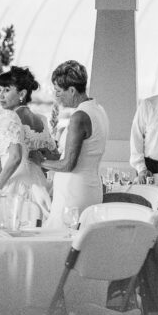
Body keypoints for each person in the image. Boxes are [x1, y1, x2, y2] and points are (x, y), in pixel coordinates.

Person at [41, 61, 108, 229]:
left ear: (71, 90)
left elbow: (68, 164)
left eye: (58, 91)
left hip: (72, 194)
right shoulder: (99, 110)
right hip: (91, 189)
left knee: (60, 247)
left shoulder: (79, 117)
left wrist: (38, 161)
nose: (57, 96)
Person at [0, 66, 53, 196]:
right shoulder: (41, 120)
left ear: (22, 94)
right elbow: (51, 158)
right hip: (39, 187)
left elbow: (15, 158)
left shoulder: (10, 118)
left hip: (16, 188)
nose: (0, 96)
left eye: (6, 90)